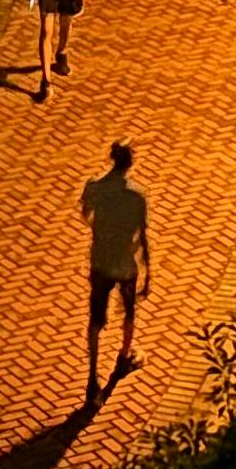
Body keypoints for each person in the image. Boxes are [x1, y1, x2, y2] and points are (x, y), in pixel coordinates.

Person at [81, 139, 153, 402]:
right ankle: (124, 356)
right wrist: (148, 270)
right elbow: (142, 234)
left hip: (101, 261)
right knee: (129, 310)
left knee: (96, 319)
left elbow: (86, 214)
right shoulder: (137, 196)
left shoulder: (95, 188)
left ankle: (92, 376)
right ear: (130, 164)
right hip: (125, 263)